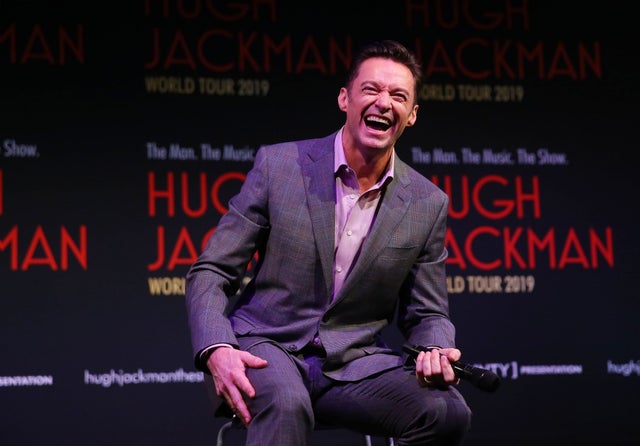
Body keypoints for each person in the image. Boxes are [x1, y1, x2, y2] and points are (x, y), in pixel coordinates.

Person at [185, 39, 472, 445]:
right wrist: (217, 347)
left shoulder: (427, 202)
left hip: (353, 365)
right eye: (371, 89)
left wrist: (436, 348)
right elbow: (212, 270)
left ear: (411, 115)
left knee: (447, 413)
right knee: (287, 404)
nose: (383, 103)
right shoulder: (280, 166)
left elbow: (428, 312)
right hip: (268, 347)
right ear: (344, 99)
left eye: (398, 96)